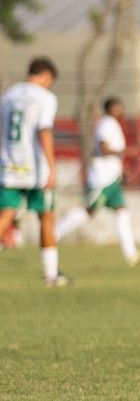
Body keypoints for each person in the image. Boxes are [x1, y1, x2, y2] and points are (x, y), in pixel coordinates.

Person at [53, 97, 140, 267]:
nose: (121, 111)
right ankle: (52, 235)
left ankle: (131, 255)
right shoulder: (106, 123)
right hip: (102, 179)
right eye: (118, 108)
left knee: (122, 212)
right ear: (110, 109)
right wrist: (126, 151)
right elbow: (103, 147)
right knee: (88, 212)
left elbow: (111, 154)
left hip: (112, 179)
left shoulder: (113, 124)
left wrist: (122, 169)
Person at [0, 57, 71, 286]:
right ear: (46, 76)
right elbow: (44, 131)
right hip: (35, 168)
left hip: (9, 165)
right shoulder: (45, 97)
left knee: (7, 214)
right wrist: (51, 167)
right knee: (46, 217)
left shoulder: (7, 96)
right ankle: (51, 275)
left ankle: (52, 274)